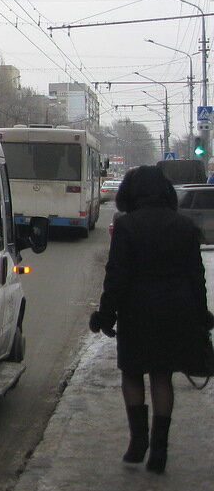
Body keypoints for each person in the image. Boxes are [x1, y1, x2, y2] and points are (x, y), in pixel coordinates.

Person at [90, 164, 214, 474]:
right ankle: (159, 450)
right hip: (176, 311)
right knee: (162, 376)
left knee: (132, 373)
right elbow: (196, 276)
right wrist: (201, 315)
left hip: (137, 311)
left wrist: (105, 314)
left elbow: (116, 275)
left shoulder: (127, 226)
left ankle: (138, 442)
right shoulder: (184, 227)